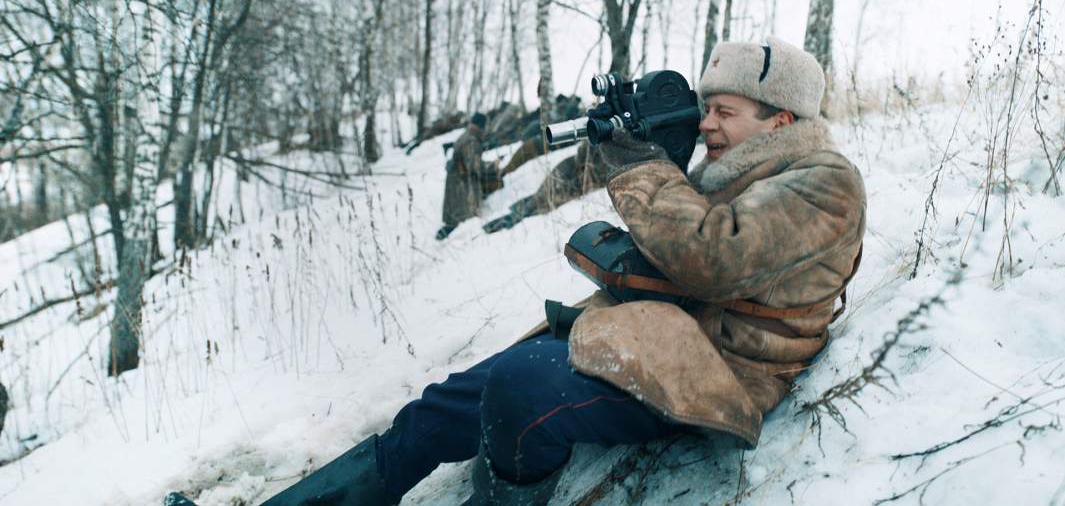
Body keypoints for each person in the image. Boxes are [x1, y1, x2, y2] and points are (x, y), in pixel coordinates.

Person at [255, 36, 866, 505]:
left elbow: (710, 260)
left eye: (724, 111)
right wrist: (661, 159)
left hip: (720, 372)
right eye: (705, 108)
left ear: (780, 121)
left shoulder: (825, 184)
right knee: (442, 408)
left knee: (521, 391)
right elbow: (680, 252)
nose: (706, 123)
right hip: (659, 334)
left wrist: (642, 167)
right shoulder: (735, 170)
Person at [483, 139, 609, 234]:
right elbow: (584, 154)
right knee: (539, 203)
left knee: (539, 201)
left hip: (571, 173)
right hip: (570, 174)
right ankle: (503, 223)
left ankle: (507, 219)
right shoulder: (599, 144)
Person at [436, 113, 498, 240]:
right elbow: (475, 167)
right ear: (481, 126)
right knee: (461, 221)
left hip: (457, 183)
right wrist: (492, 166)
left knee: (455, 220)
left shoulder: (467, 136)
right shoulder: (471, 140)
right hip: (462, 186)